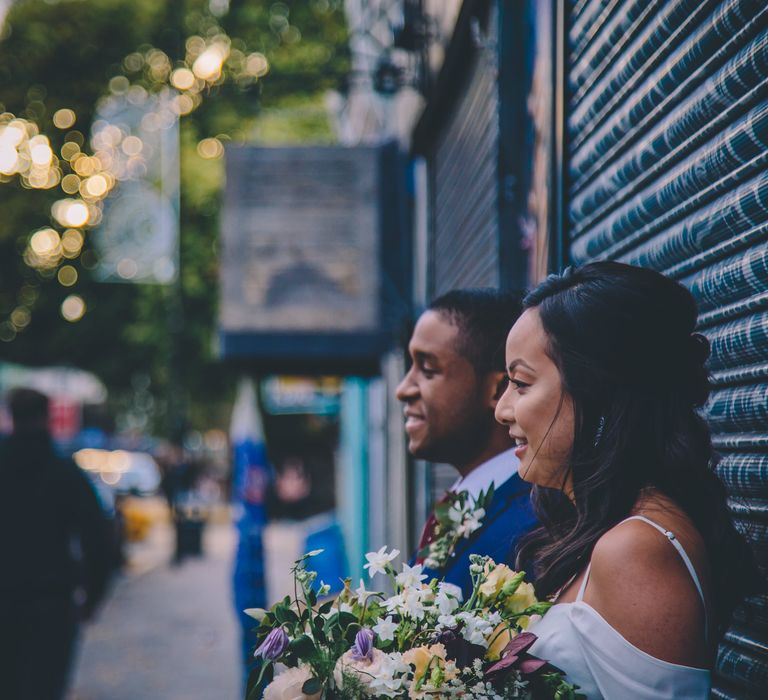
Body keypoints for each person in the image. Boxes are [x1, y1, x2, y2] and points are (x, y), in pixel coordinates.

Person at [494, 262, 761, 699]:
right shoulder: (607, 529)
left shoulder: (636, 548)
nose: (503, 410)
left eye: (521, 383)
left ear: (597, 392)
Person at [396, 288, 537, 597]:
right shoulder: (460, 504)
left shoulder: (532, 528)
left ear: (498, 389)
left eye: (428, 369)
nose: (403, 389)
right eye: (411, 366)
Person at [0, 388, 114, 700]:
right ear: (47, 418)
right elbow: (99, 540)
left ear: (11, 417)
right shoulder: (64, 472)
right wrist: (92, 599)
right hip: (51, 606)